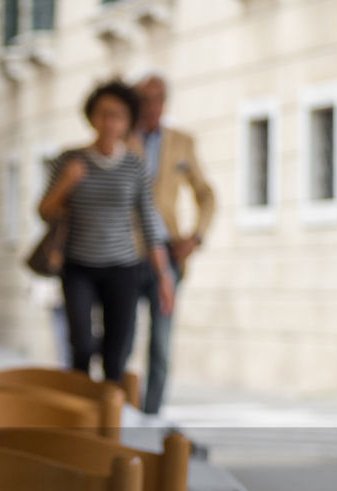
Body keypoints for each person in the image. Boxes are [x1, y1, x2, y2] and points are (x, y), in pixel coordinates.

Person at [38, 80, 174, 384]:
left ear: (128, 122)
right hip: (78, 266)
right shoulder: (69, 159)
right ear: (91, 116)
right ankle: (79, 420)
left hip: (123, 267)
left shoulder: (134, 166)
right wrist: (67, 183)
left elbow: (148, 222)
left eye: (118, 115)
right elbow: (44, 211)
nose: (110, 122)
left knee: (115, 356)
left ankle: (108, 426)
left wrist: (164, 276)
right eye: (103, 113)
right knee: (82, 347)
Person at [128, 73, 216, 414]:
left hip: (167, 255)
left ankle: (151, 414)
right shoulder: (121, 137)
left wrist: (195, 237)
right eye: (145, 99)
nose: (152, 107)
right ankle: (120, 411)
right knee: (122, 338)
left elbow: (206, 195)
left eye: (158, 99)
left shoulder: (181, 143)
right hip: (126, 253)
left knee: (161, 343)